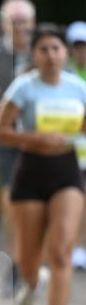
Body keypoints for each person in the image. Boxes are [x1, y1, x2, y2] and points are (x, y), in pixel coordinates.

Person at [0, 24, 86, 305]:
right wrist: (34, 139)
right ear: (35, 54)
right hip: (30, 172)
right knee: (29, 257)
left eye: (56, 49)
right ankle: (31, 283)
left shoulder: (78, 88)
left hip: (67, 172)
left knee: (61, 251)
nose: (50, 56)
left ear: (66, 54)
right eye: (43, 49)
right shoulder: (24, 88)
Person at [0, 0, 36, 292]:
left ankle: (34, 262)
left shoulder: (43, 52)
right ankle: (14, 263)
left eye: (24, 22)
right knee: (10, 200)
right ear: (4, 25)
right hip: (7, 135)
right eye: (14, 23)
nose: (20, 28)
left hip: (38, 135)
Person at [66, 21, 86, 269]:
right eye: (78, 46)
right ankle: (70, 246)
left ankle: (80, 247)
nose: (82, 51)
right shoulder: (64, 74)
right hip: (67, 149)